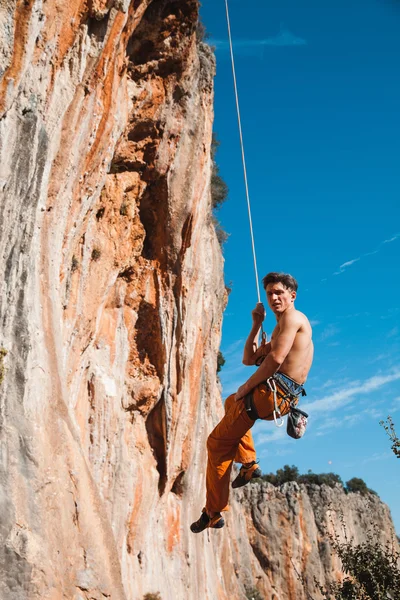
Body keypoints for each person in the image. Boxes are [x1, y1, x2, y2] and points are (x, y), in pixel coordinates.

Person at [190, 272, 314, 533]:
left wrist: (247, 386)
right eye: (270, 293)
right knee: (229, 404)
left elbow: (276, 360)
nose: (273, 297)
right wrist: (256, 324)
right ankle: (248, 463)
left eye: (279, 292)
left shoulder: (293, 319)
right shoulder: (281, 327)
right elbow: (248, 359)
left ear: (292, 295)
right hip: (276, 398)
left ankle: (213, 512)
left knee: (216, 444)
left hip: (271, 394)